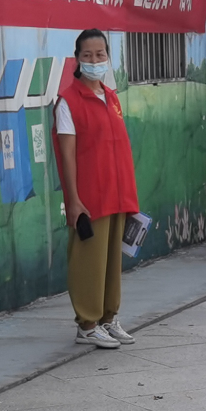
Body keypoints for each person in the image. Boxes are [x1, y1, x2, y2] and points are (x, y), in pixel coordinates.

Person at [54, 28, 139, 350]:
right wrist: (74, 201)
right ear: (77, 59)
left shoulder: (111, 96)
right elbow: (67, 155)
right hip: (91, 198)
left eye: (100, 55)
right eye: (87, 56)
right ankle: (87, 324)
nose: (94, 61)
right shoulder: (69, 102)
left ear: (108, 57)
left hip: (117, 194)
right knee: (87, 262)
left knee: (111, 264)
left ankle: (107, 318)